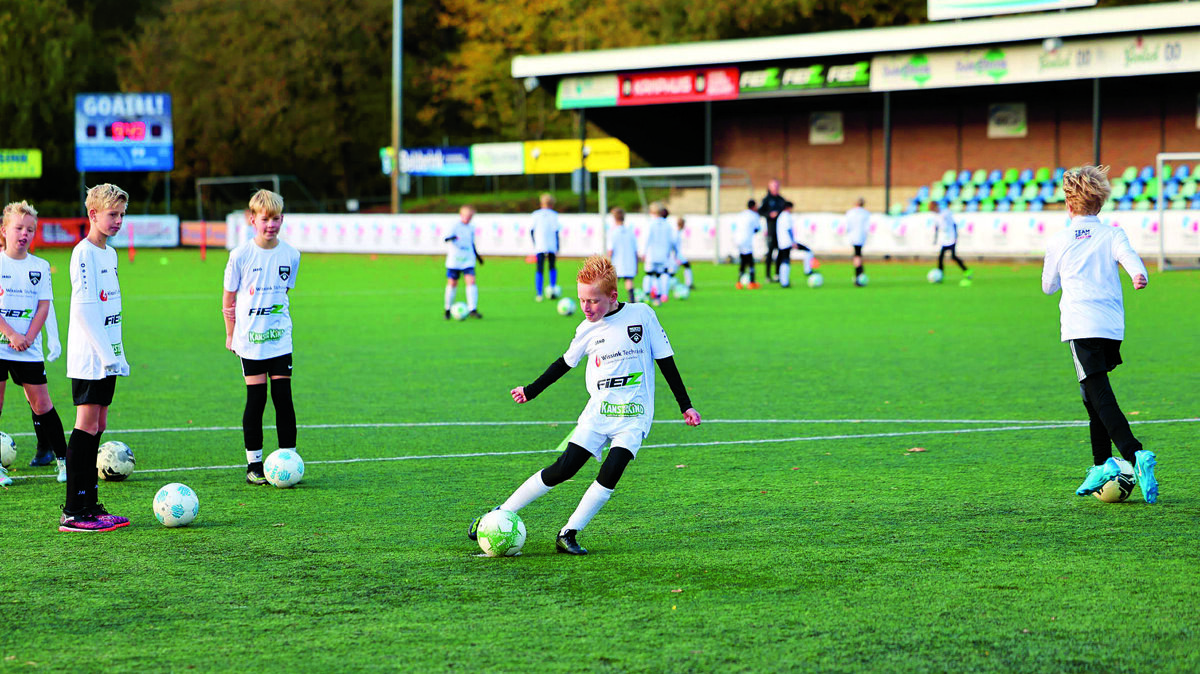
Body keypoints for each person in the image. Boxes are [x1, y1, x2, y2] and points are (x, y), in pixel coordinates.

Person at [467, 255, 701, 554]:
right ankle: (499, 514)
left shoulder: (642, 315)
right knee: (563, 469)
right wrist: (531, 390)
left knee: (612, 470)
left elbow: (666, 361)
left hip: (634, 416)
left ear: (613, 296)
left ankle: (569, 532)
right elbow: (564, 363)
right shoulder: (586, 329)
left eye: (593, 301)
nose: (586, 307)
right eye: (581, 300)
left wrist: (686, 405)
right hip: (599, 413)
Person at [1041, 165, 1156, 504]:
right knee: (1091, 396)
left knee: (1100, 397)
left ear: (1068, 204)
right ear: (1099, 204)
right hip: (1110, 327)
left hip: (1080, 325)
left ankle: (1134, 454)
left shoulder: (1060, 240)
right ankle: (1101, 464)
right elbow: (1131, 259)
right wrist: (1138, 275)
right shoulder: (1112, 234)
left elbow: (1048, 287)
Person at [59, 184, 131, 532]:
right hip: (91, 357)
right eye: (112, 214)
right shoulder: (83, 253)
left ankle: (91, 505)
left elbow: (110, 309)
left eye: (121, 214)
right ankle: (74, 511)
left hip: (108, 356)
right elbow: (86, 312)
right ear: (93, 214)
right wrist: (106, 356)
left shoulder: (110, 254)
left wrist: (119, 353)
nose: (118, 220)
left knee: (99, 425)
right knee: (85, 425)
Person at [222, 189, 301, 486]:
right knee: (256, 399)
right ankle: (254, 464)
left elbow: (285, 293)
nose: (271, 224)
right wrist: (231, 335)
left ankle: (289, 459)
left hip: (280, 338)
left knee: (283, 398)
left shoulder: (291, 254)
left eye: (276, 218)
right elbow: (228, 299)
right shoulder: (241, 255)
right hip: (250, 341)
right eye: (265, 219)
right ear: (252, 219)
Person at [0, 202, 67, 487]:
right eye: (18, 228)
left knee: (42, 405)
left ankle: (64, 461)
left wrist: (28, 336)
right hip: (2, 345)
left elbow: (43, 306)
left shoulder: (39, 266)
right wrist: (11, 334)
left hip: (29, 347)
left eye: (30, 229)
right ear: (4, 231)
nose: (24, 234)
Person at [443, 205, 483, 319]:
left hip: (468, 259)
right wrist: (452, 238)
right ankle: (447, 309)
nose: (469, 218)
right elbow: (446, 238)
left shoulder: (471, 227)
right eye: (467, 216)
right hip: (454, 260)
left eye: (471, 216)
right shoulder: (454, 226)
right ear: (461, 215)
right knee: (452, 283)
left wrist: (477, 256)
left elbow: (471, 243)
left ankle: (472, 309)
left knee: (471, 281)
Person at [531, 193, 562, 302]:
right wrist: (558, 245)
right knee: (552, 266)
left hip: (540, 245)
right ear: (552, 204)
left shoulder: (535, 214)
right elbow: (556, 231)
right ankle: (552, 288)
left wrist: (534, 243)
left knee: (539, 268)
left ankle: (539, 294)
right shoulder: (554, 215)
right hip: (551, 245)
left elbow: (531, 231)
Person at [640, 202, 673, 305]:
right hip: (663, 254)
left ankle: (646, 294)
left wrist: (643, 252)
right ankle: (657, 298)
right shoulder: (667, 224)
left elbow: (646, 238)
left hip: (651, 253)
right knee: (659, 275)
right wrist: (668, 252)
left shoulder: (650, 223)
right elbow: (669, 240)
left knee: (649, 274)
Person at [931, 201, 971, 282]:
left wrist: (956, 236)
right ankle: (940, 275)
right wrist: (935, 239)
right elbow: (937, 227)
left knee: (953, 256)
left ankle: (966, 270)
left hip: (951, 237)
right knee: (941, 257)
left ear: (936, 207)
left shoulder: (946, 213)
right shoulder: (936, 216)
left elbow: (954, 224)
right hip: (944, 239)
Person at [606, 207, 638, 303]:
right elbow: (635, 250)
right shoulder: (630, 231)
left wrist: (607, 263)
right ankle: (632, 301)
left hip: (617, 262)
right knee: (629, 281)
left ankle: (611, 303)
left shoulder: (613, 232)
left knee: (612, 284)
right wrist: (636, 264)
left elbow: (610, 250)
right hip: (629, 261)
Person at [758, 179, 786, 282]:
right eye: (773, 186)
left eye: (777, 186)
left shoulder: (781, 200)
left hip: (781, 231)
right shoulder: (766, 199)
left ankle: (777, 274)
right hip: (771, 230)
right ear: (769, 187)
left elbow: (786, 211)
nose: (775, 188)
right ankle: (767, 275)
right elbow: (760, 211)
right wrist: (769, 215)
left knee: (780, 252)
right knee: (770, 252)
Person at [733, 200, 761, 289]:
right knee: (750, 261)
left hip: (737, 239)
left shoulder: (742, 214)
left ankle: (739, 283)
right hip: (746, 240)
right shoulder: (754, 215)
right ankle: (752, 282)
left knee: (743, 260)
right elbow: (757, 229)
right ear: (753, 207)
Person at [845, 197, 870, 286]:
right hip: (861, 237)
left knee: (857, 255)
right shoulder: (866, 213)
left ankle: (859, 275)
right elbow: (867, 227)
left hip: (853, 237)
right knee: (858, 255)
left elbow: (847, 226)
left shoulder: (850, 213)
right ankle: (859, 275)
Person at [670, 216, 694, 290]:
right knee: (670, 273)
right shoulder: (675, 233)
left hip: (676, 255)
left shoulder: (678, 232)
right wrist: (676, 257)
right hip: (674, 256)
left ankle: (689, 284)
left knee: (687, 266)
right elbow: (673, 245)